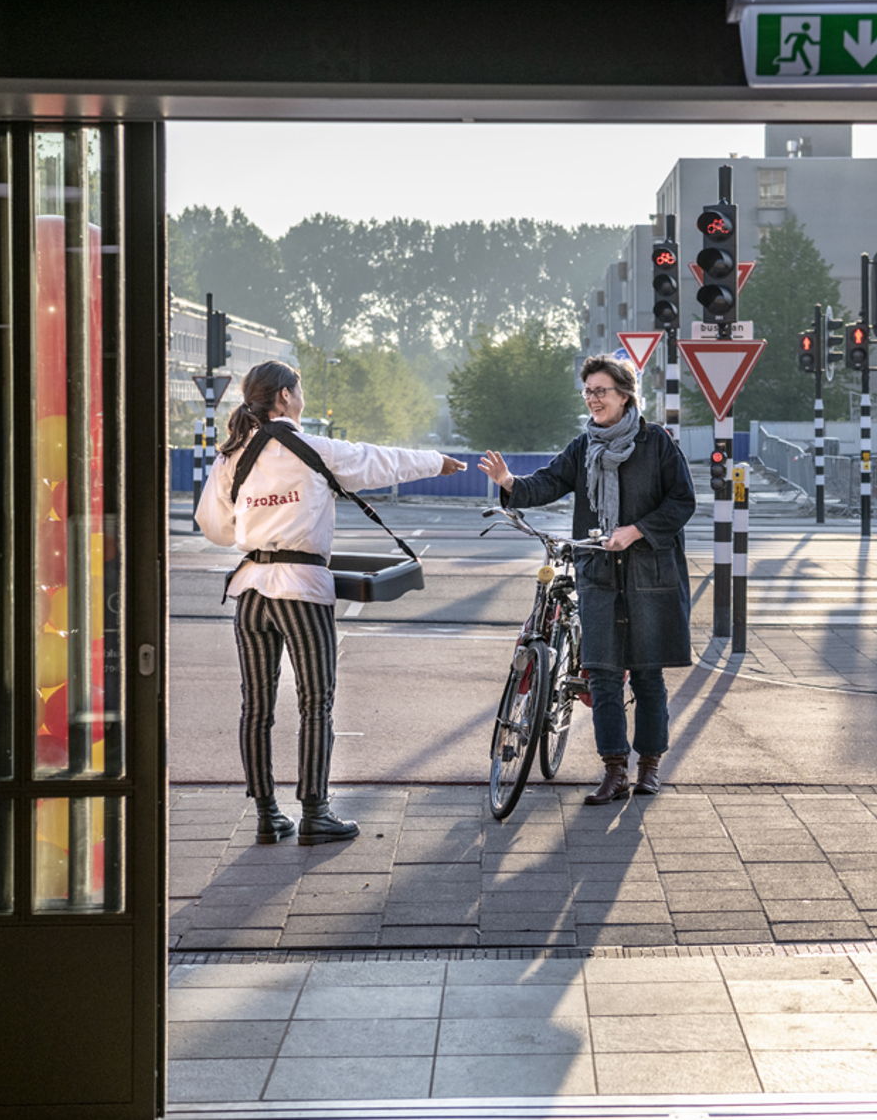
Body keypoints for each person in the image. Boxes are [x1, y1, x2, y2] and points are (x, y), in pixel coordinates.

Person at [198, 360, 465, 844]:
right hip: (301, 590)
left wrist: (261, 526)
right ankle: (316, 812)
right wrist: (436, 462)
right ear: (283, 397)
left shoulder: (230, 456)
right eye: (298, 390)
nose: (300, 396)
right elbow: (380, 461)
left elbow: (215, 529)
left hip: (251, 592)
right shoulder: (312, 448)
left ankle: (266, 814)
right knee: (315, 703)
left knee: (255, 706)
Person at [478, 355, 695, 805]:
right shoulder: (584, 447)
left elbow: (682, 502)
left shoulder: (657, 444)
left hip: (648, 573)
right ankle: (613, 769)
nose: (593, 399)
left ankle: (649, 766)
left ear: (625, 395)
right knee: (602, 674)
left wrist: (635, 532)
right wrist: (511, 483)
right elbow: (549, 483)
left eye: (601, 391)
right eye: (588, 392)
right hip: (597, 573)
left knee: (648, 673)